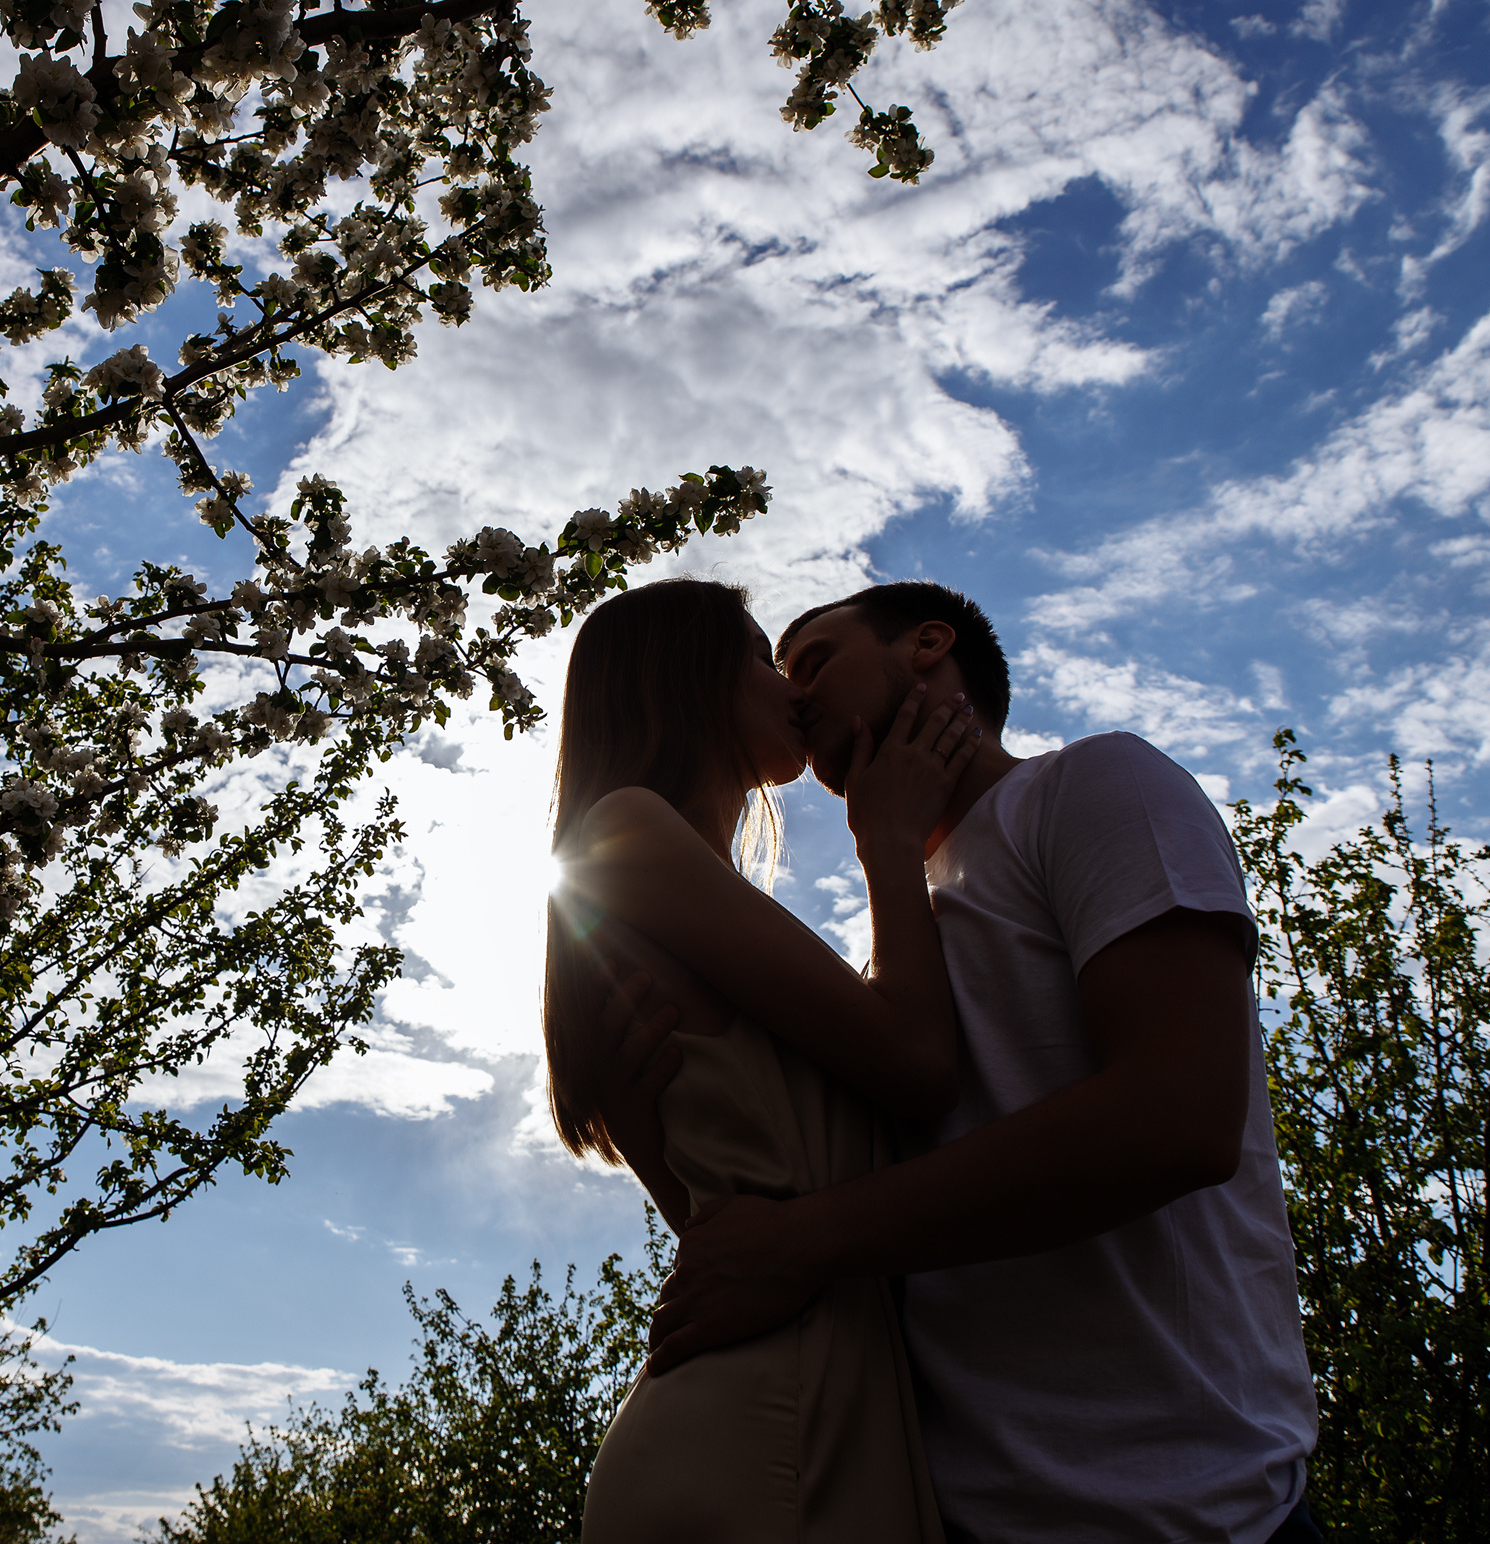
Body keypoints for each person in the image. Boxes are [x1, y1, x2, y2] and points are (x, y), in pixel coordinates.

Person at [629, 580, 1323, 1544]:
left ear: (927, 644)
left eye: (816, 658)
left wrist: (807, 1242)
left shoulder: (1095, 785)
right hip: (950, 1510)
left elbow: (1180, 1115)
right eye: (777, 673)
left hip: (1189, 1503)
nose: (795, 692)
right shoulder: (896, 940)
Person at [542, 577, 982, 1544]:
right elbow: (916, 1062)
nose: (787, 684)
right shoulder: (627, 832)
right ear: (684, 678)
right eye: (756, 656)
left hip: (805, 1407)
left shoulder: (668, 898)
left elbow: (726, 1210)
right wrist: (889, 844)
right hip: (762, 1434)